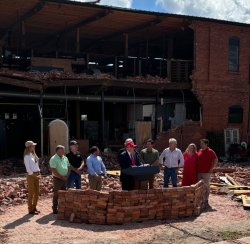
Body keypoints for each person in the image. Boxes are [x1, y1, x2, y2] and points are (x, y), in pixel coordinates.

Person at [49, 145, 70, 214]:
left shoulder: (65, 158)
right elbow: (53, 170)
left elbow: (68, 167)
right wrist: (62, 177)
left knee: (64, 194)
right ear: (57, 151)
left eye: (63, 150)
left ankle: (62, 207)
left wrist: (67, 176)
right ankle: (55, 208)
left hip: (65, 178)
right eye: (61, 150)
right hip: (57, 178)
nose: (63, 152)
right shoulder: (53, 158)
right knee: (56, 194)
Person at [197, 139, 218, 207]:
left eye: (202, 143)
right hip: (199, 171)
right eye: (201, 143)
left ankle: (206, 200)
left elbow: (215, 159)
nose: (201, 145)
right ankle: (201, 200)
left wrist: (212, 168)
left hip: (206, 172)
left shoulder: (210, 151)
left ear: (206, 144)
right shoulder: (200, 150)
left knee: (206, 186)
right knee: (199, 186)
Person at [23, 140, 40, 215]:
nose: (34, 146)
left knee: (37, 192)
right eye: (33, 145)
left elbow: (36, 166)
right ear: (29, 147)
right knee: (31, 193)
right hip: (31, 176)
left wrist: (39, 173)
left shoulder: (34, 154)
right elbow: (28, 169)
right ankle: (30, 209)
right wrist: (35, 175)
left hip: (36, 174)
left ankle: (34, 207)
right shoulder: (26, 156)